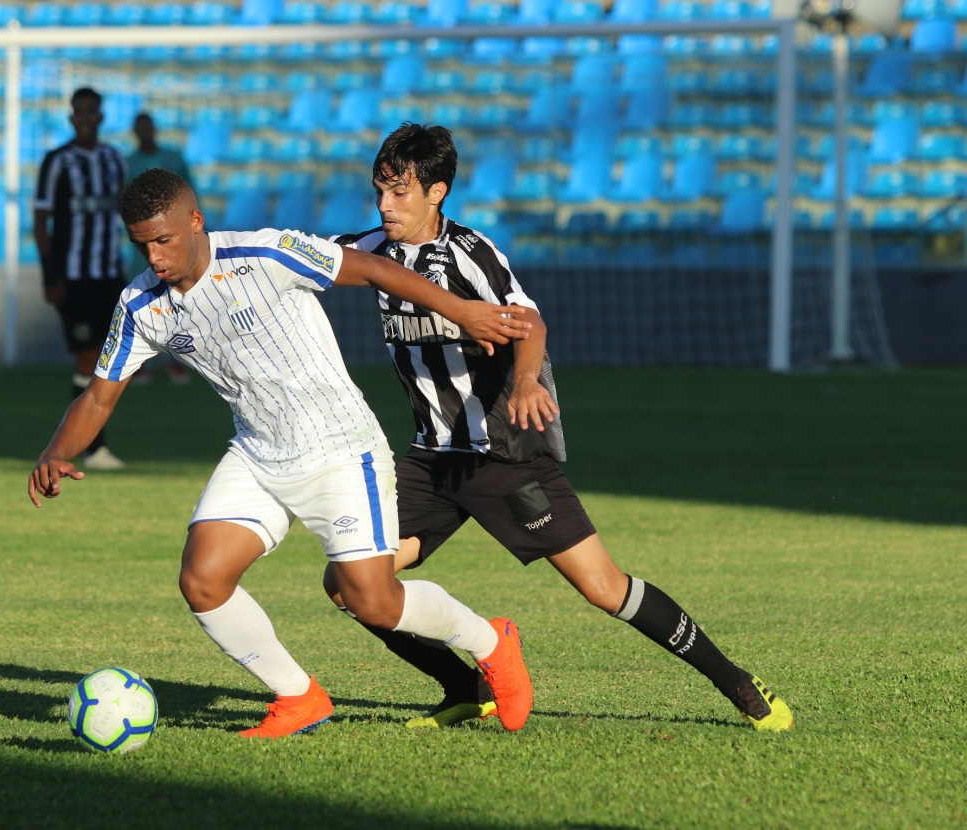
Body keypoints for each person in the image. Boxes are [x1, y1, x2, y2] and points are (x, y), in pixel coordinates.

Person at [28, 168, 537, 738]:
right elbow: (98, 395)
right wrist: (55, 451)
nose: (155, 255)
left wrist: (461, 310)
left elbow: (371, 267)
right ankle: (298, 697)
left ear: (195, 221)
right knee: (203, 579)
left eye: (164, 239)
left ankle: (492, 642)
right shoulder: (141, 303)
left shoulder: (266, 253)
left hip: (343, 449)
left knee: (369, 599)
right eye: (142, 244)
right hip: (258, 454)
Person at [324, 123, 795, 732]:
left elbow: (531, 324)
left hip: (503, 457)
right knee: (349, 583)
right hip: (430, 459)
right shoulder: (368, 248)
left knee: (604, 587)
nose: (385, 206)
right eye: (379, 192)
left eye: (400, 193)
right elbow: (294, 255)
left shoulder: (471, 255)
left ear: (437, 192)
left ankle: (736, 681)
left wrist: (524, 384)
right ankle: (465, 687)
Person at [33, 87, 130, 470]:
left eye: (92, 110)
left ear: (101, 116)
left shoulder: (113, 159)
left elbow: (124, 214)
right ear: (71, 117)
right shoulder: (57, 161)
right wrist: (49, 273)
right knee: (89, 358)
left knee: (107, 358)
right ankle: (94, 448)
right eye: (80, 111)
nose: (86, 117)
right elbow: (41, 221)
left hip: (108, 273)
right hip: (74, 277)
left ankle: (94, 446)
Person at [123, 111, 193, 386]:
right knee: (143, 299)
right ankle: (141, 363)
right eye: (139, 127)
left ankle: (178, 360)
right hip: (142, 247)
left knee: (177, 297)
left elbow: (188, 193)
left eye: (147, 127)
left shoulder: (173, 159)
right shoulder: (129, 163)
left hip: (171, 241)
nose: (144, 132)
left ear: (153, 129)